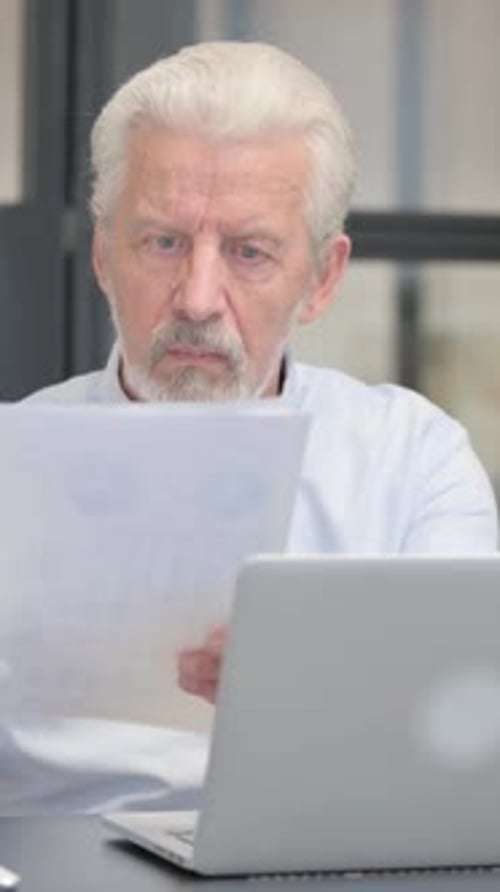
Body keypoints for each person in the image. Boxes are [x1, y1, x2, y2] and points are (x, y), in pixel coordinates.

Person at [3, 41, 497, 815]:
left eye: (249, 252)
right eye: (164, 242)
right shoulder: (12, 463)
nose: (198, 299)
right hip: (53, 849)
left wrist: (314, 689)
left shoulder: (411, 460)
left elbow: (473, 727)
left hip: (335, 846)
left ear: (323, 278)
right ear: (103, 256)